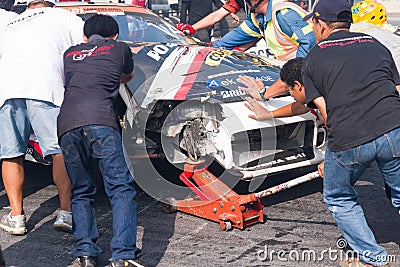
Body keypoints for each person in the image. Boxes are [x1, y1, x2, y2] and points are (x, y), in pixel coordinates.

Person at [302, 0, 400, 266]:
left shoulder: (314, 56)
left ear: (321, 24)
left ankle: (373, 258)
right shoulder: (374, 44)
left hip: (349, 137)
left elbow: (324, 110)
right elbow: (397, 89)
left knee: (339, 196)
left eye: (313, 22)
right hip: (393, 128)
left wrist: (329, 155)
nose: (312, 28)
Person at [58, 14, 143, 267]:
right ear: (115, 35)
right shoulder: (119, 48)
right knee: (121, 187)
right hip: (100, 121)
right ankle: (123, 255)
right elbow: (126, 75)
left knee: (82, 190)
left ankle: (85, 253)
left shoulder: (70, 53)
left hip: (67, 124)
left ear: (85, 36)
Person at [0, 0, 84, 235]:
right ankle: (66, 212)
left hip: (8, 89)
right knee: (59, 151)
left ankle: (16, 217)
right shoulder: (65, 17)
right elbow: (85, 49)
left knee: (11, 153)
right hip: (46, 87)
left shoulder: (8, 21)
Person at [214, 0, 316, 104]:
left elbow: (309, 41)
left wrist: (264, 93)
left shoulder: (283, 13)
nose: (245, 4)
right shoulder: (258, 18)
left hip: (310, 74)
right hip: (295, 76)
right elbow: (229, 40)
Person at [241, 57, 311, 121]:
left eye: (288, 89)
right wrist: (269, 114)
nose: (291, 95)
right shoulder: (315, 86)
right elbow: (302, 107)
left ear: (297, 85)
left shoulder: (320, 95)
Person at [176, 0, 244, 37]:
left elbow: (183, 9)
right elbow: (219, 5)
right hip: (197, 26)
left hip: (203, 27)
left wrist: (232, 13)